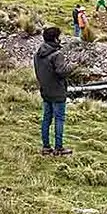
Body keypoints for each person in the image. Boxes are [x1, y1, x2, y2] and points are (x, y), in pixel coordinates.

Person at [33, 26, 74, 156]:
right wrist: (73, 66)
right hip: (58, 92)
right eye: (59, 37)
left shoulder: (37, 54)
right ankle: (59, 148)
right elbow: (62, 72)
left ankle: (46, 147)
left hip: (45, 91)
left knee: (46, 119)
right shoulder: (57, 55)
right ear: (55, 39)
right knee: (59, 119)